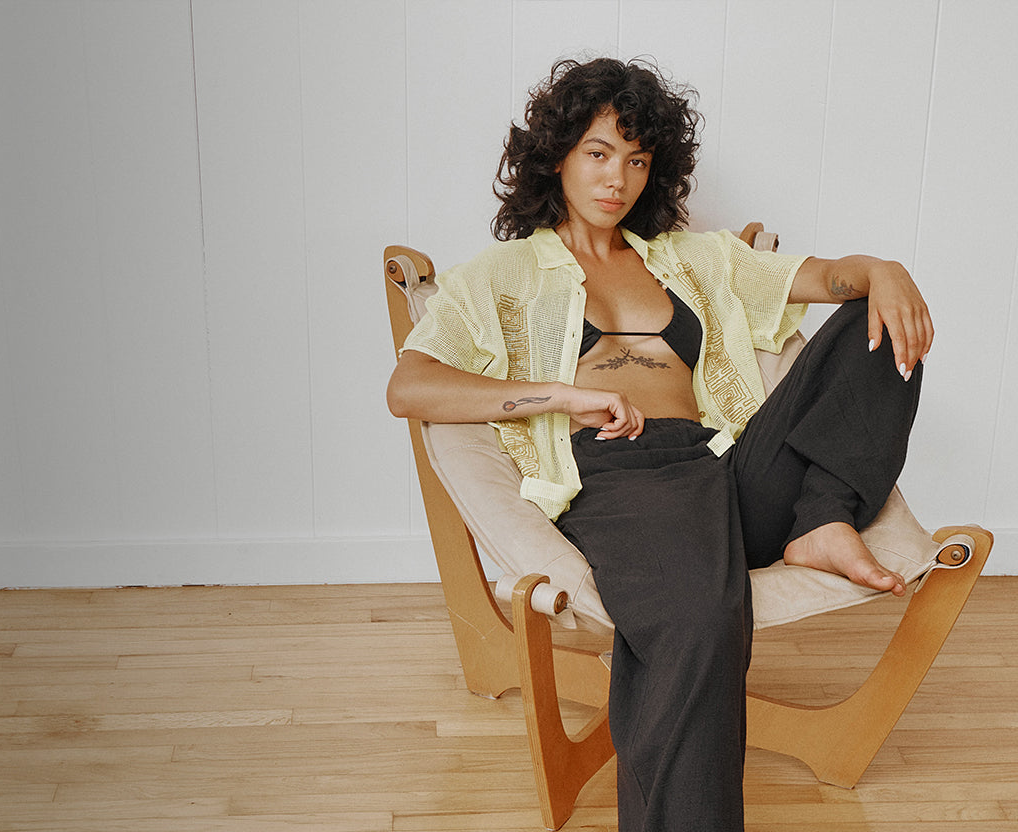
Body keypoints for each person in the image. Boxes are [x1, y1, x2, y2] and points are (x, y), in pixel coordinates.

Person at [386, 57, 933, 831]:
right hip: (621, 475)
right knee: (700, 623)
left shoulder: (694, 258)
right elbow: (408, 387)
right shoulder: (501, 275)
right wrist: (564, 396)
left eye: (637, 159)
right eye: (599, 153)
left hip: (725, 469)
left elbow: (831, 279)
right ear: (559, 155)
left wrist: (886, 269)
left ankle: (821, 520)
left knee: (875, 332)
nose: (618, 179)